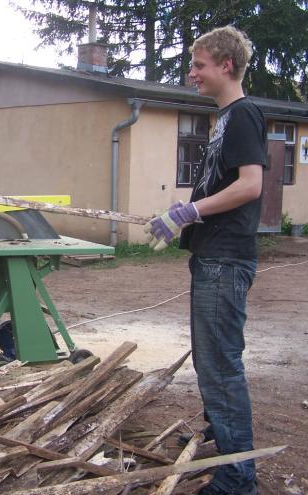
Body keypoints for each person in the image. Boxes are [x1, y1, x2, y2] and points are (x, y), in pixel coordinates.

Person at [144, 26, 266, 495]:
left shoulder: (244, 115)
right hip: (211, 256)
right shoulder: (225, 120)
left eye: (199, 65)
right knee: (212, 361)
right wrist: (182, 216)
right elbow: (223, 187)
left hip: (224, 261)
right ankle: (225, 438)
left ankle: (237, 477)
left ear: (226, 65)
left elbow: (250, 185)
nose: (191, 73)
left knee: (219, 365)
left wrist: (190, 210)